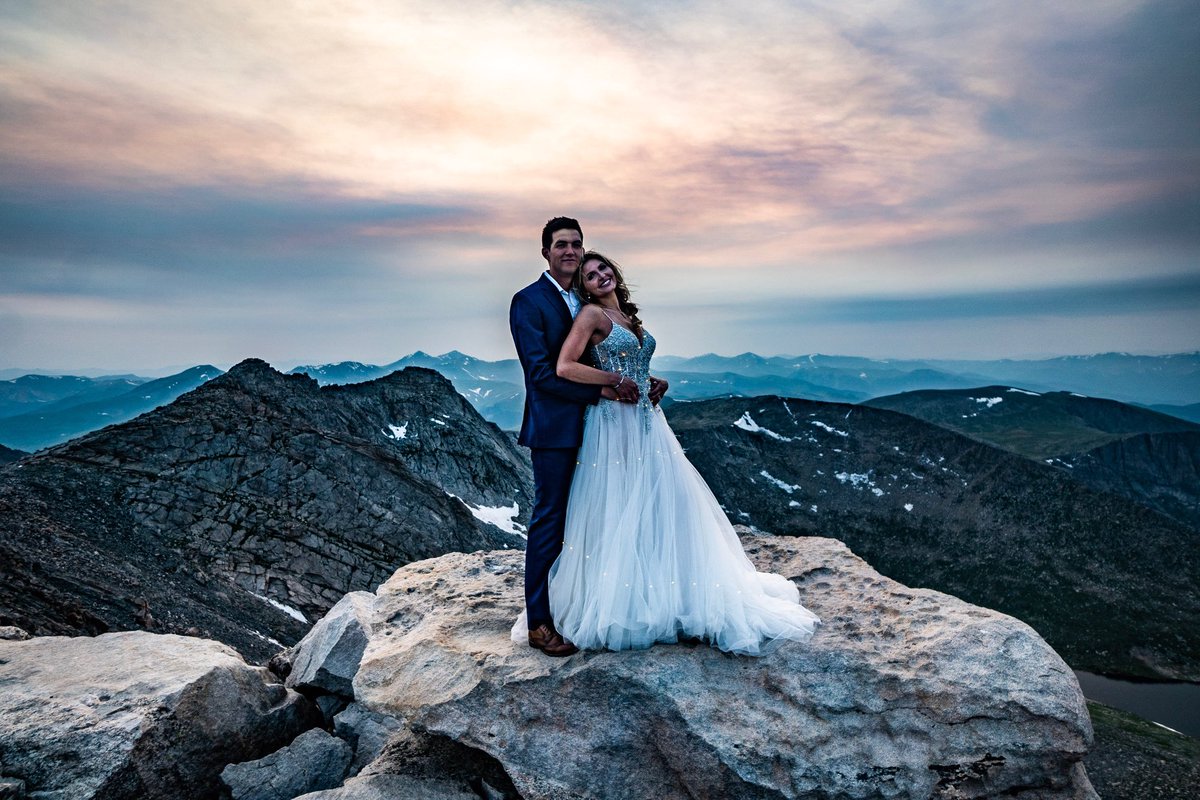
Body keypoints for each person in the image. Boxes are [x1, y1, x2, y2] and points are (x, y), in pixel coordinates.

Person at [541, 251, 820, 654]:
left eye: (603, 269)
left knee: (659, 504)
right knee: (621, 504)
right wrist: (614, 379)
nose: (599, 276)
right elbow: (565, 367)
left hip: (647, 422)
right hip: (613, 424)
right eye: (589, 275)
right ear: (582, 286)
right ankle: (623, 602)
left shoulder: (628, 319)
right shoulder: (590, 317)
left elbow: (634, 362)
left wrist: (655, 380)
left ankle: (664, 592)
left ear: (614, 274)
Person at [509, 218, 642, 656]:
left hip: (599, 427)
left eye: (576, 244)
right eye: (561, 244)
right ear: (545, 251)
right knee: (551, 519)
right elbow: (542, 373)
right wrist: (603, 388)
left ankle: (580, 605)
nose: (570, 251)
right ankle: (539, 623)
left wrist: (644, 379)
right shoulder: (528, 302)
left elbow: (602, 354)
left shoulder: (587, 301)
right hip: (556, 428)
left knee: (591, 518)